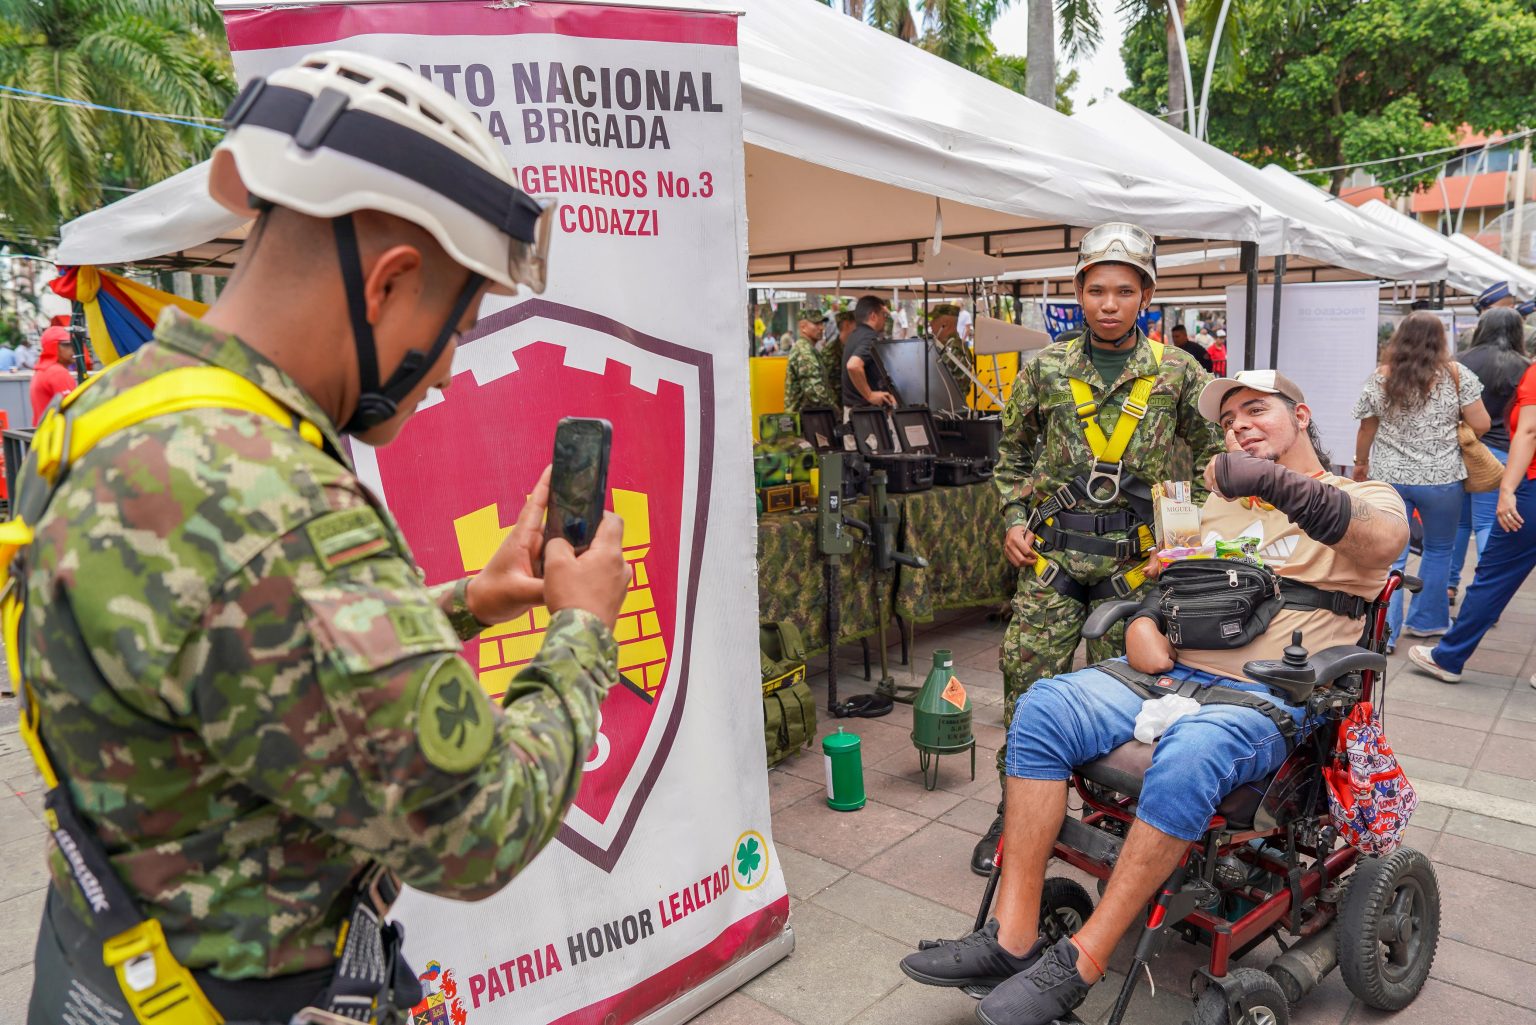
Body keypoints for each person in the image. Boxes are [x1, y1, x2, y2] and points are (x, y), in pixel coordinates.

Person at [18, 52, 629, 1025]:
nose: (446, 368)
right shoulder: (276, 508)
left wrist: (473, 600)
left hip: (109, 967)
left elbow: (260, 664)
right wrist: (582, 629)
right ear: (391, 283)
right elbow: (482, 830)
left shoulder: (110, 413)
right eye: (460, 323)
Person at [902, 370, 1407, 1025]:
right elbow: (1167, 584)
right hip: (1167, 677)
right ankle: (1012, 937)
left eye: (1255, 410)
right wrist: (1142, 619)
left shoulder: (1363, 496)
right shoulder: (1211, 506)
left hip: (1264, 695)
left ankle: (1081, 961)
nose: (1239, 426)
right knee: (1042, 708)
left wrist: (1266, 478)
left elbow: (1385, 543)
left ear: (1302, 415)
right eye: (1229, 421)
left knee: (1191, 753)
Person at [981, 222, 1225, 876]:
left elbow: (1213, 458)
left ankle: (1113, 813)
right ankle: (1014, 813)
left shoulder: (1177, 371)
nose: (1109, 304)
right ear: (1078, 292)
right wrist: (1013, 518)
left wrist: (1181, 543)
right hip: (1052, 562)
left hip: (1134, 567)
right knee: (1026, 688)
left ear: (1146, 295)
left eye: (1123, 291)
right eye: (1096, 290)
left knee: (1126, 698)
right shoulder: (1046, 368)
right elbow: (1011, 456)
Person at [1351, 311, 1489, 653]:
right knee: (1439, 550)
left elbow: (1367, 427)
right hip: (1442, 478)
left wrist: (1361, 464)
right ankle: (1427, 623)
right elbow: (1482, 423)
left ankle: (1384, 634)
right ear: (1440, 340)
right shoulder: (1457, 375)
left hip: (1390, 478)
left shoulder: (1380, 377)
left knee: (1391, 556)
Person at [1409, 358, 1536, 688]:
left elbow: (1530, 429)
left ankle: (1448, 657)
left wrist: (1507, 489)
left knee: (1494, 575)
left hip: (1532, 487)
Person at [1447, 308, 1530, 605]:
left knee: (1459, 524)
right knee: (1485, 523)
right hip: (1503, 453)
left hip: (1464, 449)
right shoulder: (1525, 367)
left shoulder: (1460, 361)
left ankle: (1449, 586)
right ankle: (1482, 595)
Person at [841, 294, 897, 409]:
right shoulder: (869, 337)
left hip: (856, 409)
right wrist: (869, 395)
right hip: (866, 412)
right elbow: (853, 365)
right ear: (873, 316)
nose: (886, 319)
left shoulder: (855, 335)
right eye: (884, 315)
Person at [784, 308, 838, 413]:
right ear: (803, 327)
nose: (821, 328)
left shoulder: (809, 348)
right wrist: (834, 410)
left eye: (821, 324)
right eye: (816, 324)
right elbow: (815, 391)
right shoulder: (804, 351)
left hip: (809, 416)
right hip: (804, 418)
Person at [28, 325, 78, 424]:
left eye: (73, 344)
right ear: (52, 347)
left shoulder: (43, 370)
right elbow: (73, 412)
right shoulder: (58, 373)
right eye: (66, 345)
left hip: (46, 431)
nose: (73, 349)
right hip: (57, 432)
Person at [928, 302, 972, 405]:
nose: (930, 323)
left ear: (945, 324)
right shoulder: (946, 345)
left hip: (949, 408)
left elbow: (935, 379)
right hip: (945, 405)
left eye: (934, 319)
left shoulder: (954, 349)